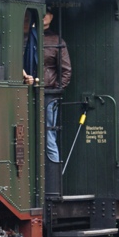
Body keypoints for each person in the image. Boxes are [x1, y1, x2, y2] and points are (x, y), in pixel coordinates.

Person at [41, 11, 72, 163]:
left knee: (49, 135)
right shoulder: (26, 37)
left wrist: (55, 89)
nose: (43, 16)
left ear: (52, 17)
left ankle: (53, 177)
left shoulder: (57, 41)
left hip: (48, 95)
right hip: (28, 90)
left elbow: (66, 71)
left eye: (46, 13)